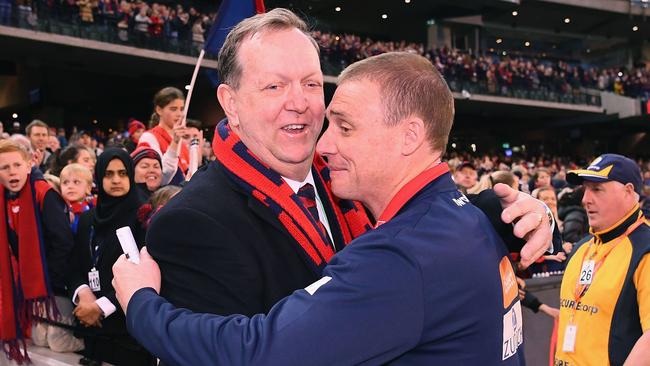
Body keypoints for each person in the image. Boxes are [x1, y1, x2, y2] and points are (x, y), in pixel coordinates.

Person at [113, 51, 556, 365]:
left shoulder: (401, 257)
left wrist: (142, 305)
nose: (323, 143)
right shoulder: (469, 219)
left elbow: (259, 352)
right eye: (274, 85)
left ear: (409, 136)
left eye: (344, 126)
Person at [555, 154, 650, 365]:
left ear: (628, 192)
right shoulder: (581, 248)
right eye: (586, 189)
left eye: (597, 189)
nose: (585, 199)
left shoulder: (645, 250)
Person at [67, 148, 153, 366]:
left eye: (123, 173)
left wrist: (101, 307)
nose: (116, 180)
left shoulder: (142, 216)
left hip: (128, 331)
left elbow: (144, 274)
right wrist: (84, 294)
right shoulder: (88, 219)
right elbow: (75, 265)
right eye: (108, 174)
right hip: (91, 326)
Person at [0, 139, 75, 363]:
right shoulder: (3, 198)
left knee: (54, 340)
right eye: (4, 167)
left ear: (29, 165)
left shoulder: (44, 194)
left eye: (16, 165)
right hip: (24, 284)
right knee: (38, 338)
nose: (12, 172)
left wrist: (45, 282)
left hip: (54, 283)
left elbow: (63, 244)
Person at [137, 87, 188, 185]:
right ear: (159, 110)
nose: (179, 114)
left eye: (181, 109)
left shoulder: (183, 141)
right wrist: (175, 142)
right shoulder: (148, 138)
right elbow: (159, 176)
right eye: (173, 109)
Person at [59, 163, 95, 234]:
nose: (70, 186)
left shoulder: (94, 206)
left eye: (76, 182)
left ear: (88, 187)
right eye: (65, 182)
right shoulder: (60, 208)